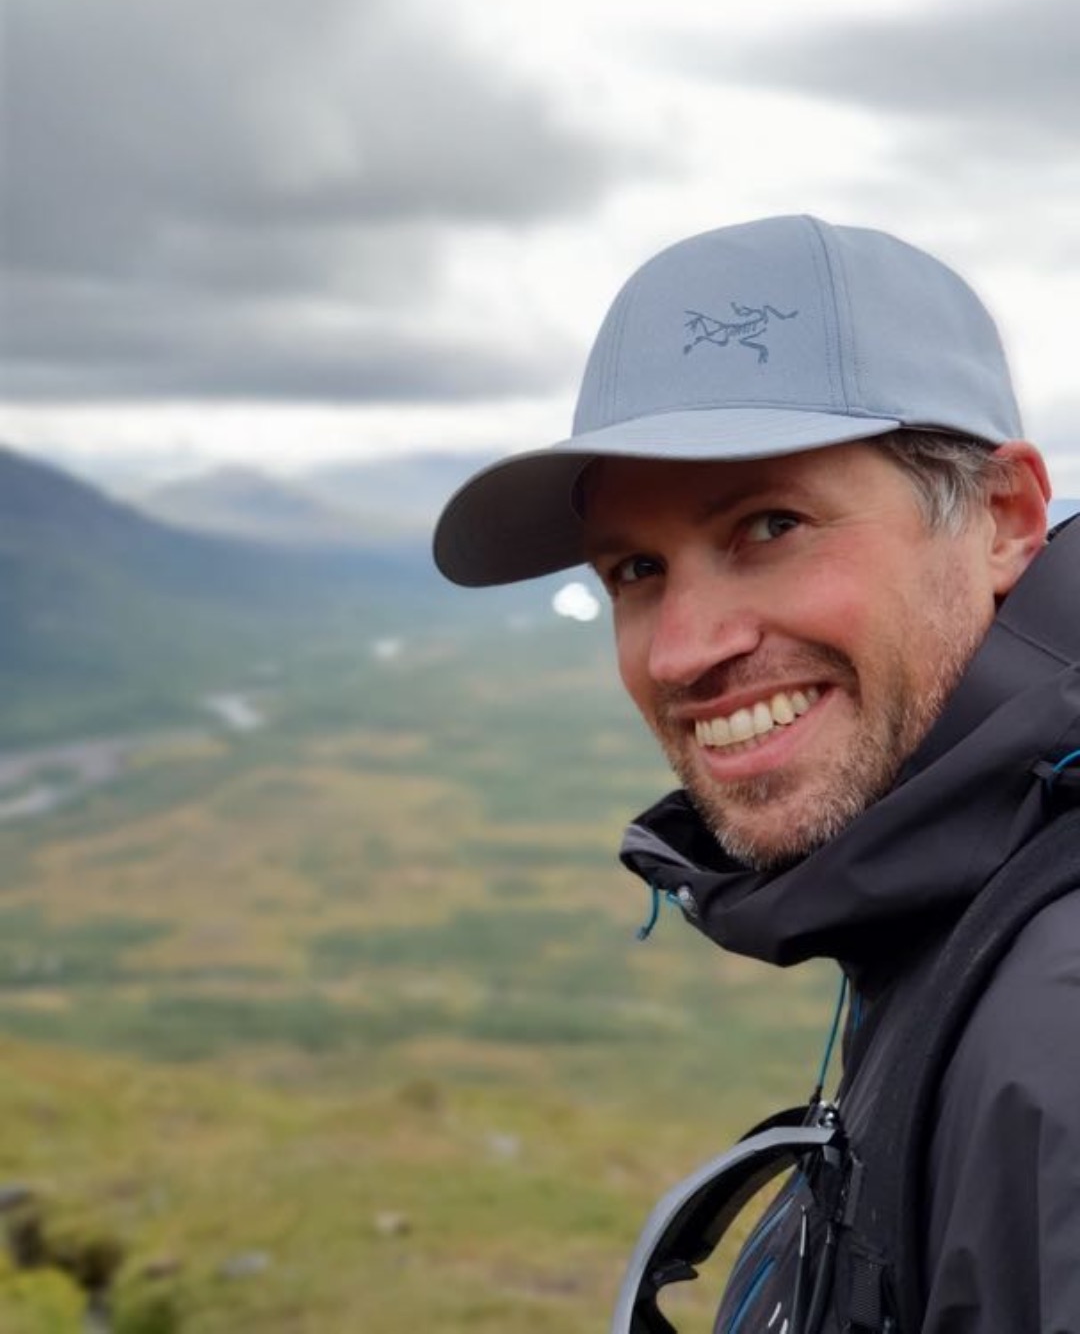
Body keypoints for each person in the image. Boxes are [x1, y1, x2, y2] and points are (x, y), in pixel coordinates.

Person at [433, 215, 1080, 1332]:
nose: (682, 652)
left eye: (771, 524)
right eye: (637, 568)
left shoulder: (1056, 1027)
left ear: (1003, 518)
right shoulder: (967, 913)